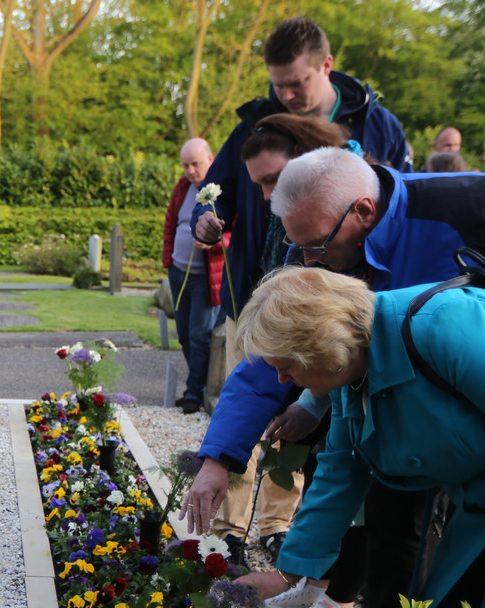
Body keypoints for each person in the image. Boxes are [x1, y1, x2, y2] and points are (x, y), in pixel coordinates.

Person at [232, 266, 485, 608]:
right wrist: (286, 573)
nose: (282, 380)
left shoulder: (448, 325)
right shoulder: (349, 368)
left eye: (286, 366)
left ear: (322, 346)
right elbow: (341, 469)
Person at [186, 15, 411, 563]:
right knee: (265, 399)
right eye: (278, 84)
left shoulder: (377, 125)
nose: (286, 94)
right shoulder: (257, 126)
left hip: (347, 305)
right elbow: (217, 189)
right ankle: (235, 532)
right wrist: (206, 217)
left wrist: (314, 398)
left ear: (326, 67)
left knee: (328, 433)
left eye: (297, 83)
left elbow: (398, 216)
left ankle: (288, 537)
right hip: (269, 290)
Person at [161, 138, 225, 414]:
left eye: (195, 164)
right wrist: (168, 261)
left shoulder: (221, 191)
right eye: (185, 165)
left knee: (200, 335)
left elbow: (234, 233)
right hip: (178, 272)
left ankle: (193, 392)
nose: (189, 171)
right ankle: (197, 386)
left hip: (205, 278)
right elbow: (171, 223)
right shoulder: (182, 187)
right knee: (184, 334)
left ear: (210, 159)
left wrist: (216, 243)